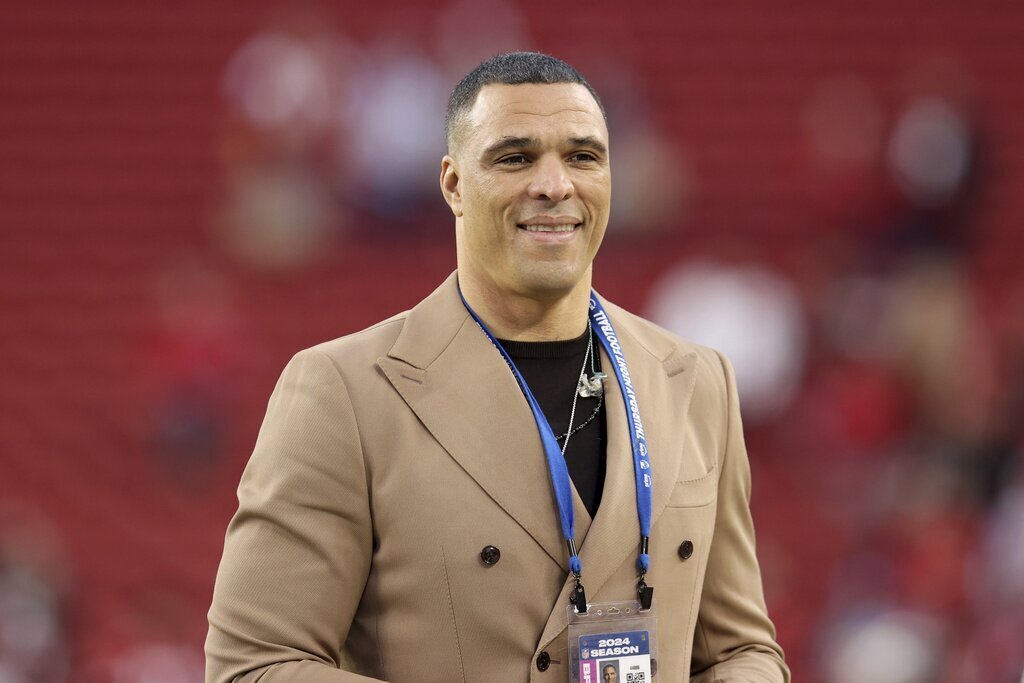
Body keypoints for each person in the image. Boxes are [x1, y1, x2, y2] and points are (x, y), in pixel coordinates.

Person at [206, 51, 788, 683]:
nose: (554, 184)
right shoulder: (342, 391)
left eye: (583, 157)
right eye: (515, 158)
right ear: (454, 184)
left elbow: (742, 653)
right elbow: (254, 666)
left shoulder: (698, 381)